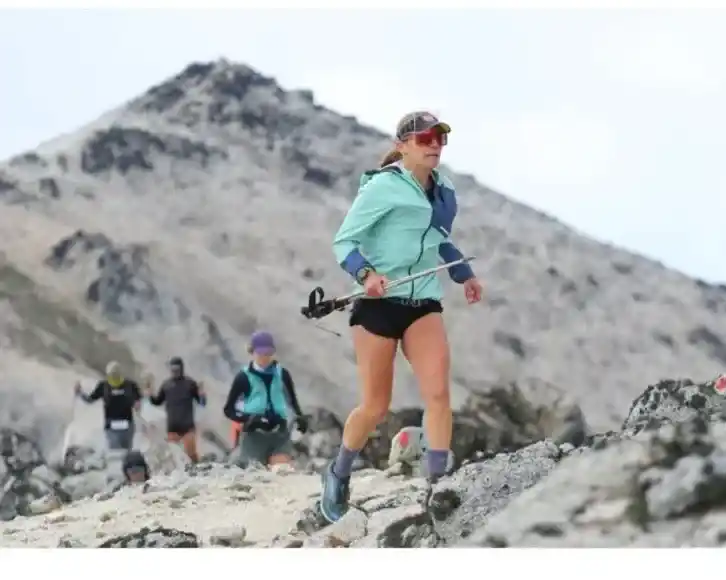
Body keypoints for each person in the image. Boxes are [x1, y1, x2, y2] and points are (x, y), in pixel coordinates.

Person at [319, 111, 483, 524]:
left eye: (440, 138)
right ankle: (338, 473)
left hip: (423, 302)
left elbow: (440, 243)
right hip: (378, 306)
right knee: (375, 406)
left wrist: (465, 275)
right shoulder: (382, 188)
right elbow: (345, 241)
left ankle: (437, 487)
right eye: (425, 138)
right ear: (404, 144)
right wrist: (366, 274)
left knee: (439, 395)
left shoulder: (444, 191)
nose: (434, 145)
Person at [222, 331, 309, 467]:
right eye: (261, 353)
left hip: (279, 433)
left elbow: (292, 401)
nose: (264, 357)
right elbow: (228, 410)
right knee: (257, 477)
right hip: (253, 436)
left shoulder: (283, 374)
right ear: (252, 352)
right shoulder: (243, 377)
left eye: (268, 353)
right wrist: (247, 419)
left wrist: (300, 417)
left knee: (281, 472)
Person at [145, 356, 206, 463]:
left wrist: (202, 395)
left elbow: (202, 403)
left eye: (177, 370)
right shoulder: (166, 385)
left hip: (188, 427)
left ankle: (198, 472)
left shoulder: (190, 383)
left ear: (181, 369)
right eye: (173, 370)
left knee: (191, 454)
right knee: (174, 457)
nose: (175, 372)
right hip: (173, 428)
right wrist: (150, 393)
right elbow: (157, 401)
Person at [74, 361, 143, 451]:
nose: (114, 376)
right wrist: (80, 392)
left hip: (127, 425)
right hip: (111, 427)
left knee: (127, 452)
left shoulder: (130, 385)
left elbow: (139, 399)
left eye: (116, 374)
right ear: (108, 374)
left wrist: (137, 405)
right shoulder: (103, 386)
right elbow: (90, 399)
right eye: (112, 374)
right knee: (115, 452)